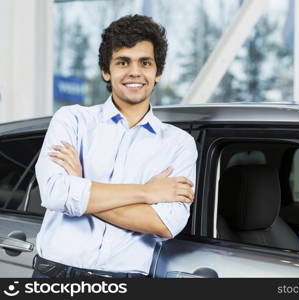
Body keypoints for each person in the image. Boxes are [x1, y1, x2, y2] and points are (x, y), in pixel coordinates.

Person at [32, 14, 197, 278]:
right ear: (106, 71)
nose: (135, 72)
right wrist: (147, 192)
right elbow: (55, 194)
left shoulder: (179, 144)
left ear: (158, 73)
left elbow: (165, 224)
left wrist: (81, 187)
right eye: (123, 62)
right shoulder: (72, 119)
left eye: (145, 63)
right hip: (55, 276)